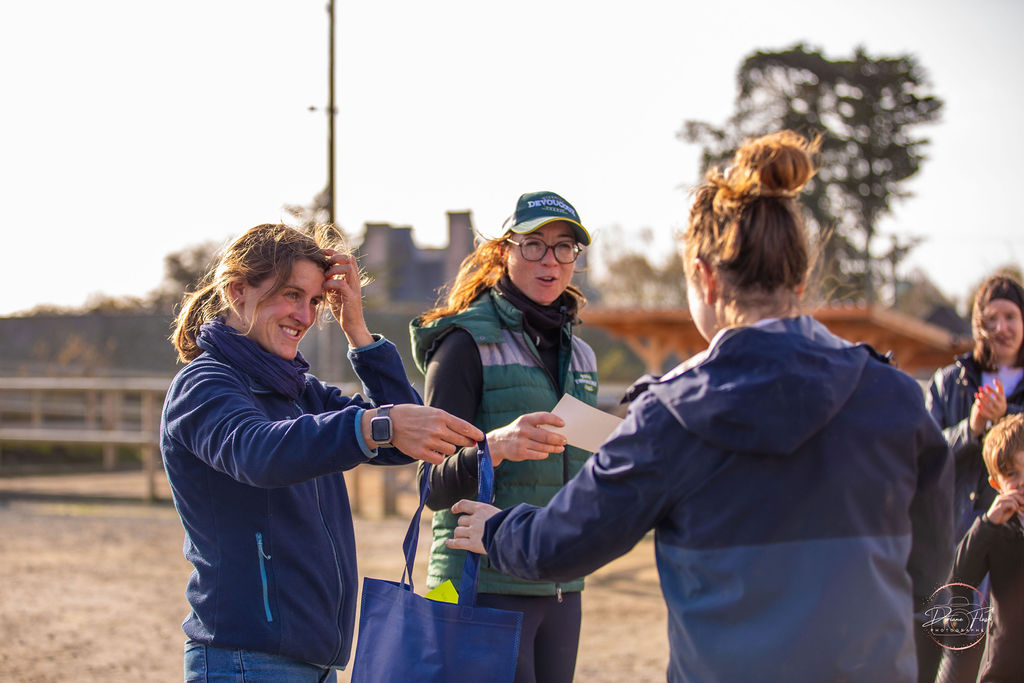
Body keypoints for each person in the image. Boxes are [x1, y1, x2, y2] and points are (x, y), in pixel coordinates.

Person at [447, 131, 954, 682]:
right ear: (802, 276)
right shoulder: (897, 398)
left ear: (706, 280)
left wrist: (498, 531)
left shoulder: (672, 416)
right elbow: (933, 577)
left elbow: (563, 544)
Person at [161, 223, 483, 681]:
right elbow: (257, 452)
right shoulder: (203, 383)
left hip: (315, 662)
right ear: (237, 291)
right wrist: (373, 425)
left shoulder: (301, 391)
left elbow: (400, 443)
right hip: (246, 660)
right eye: (292, 294)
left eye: (315, 301)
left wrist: (357, 329)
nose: (305, 315)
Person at [409, 191, 598, 683]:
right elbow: (430, 486)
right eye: (534, 244)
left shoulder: (583, 357)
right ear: (503, 251)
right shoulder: (462, 344)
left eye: (564, 247)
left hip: (560, 586)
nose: (550, 260)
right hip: (479, 583)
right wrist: (495, 447)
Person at [926, 274, 1024, 682]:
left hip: (1014, 558)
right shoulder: (950, 383)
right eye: (991, 318)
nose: (1001, 327)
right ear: (977, 324)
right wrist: (974, 427)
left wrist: (1007, 422)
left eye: (1011, 316)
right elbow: (923, 457)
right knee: (955, 664)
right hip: (959, 546)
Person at [947, 412, 1024, 682]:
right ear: (996, 483)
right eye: (1012, 474)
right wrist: (987, 525)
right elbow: (958, 580)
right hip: (1005, 669)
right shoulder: (995, 528)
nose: (1022, 481)